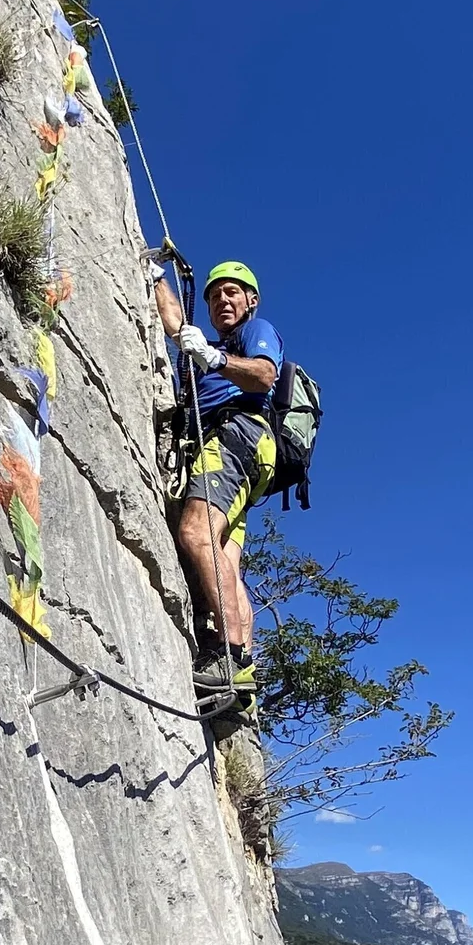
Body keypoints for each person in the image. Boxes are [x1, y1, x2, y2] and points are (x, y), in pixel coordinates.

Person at [151, 255, 281, 710]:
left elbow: (265, 374)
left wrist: (215, 356)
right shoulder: (213, 346)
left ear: (251, 300)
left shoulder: (254, 331)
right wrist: (157, 278)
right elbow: (175, 326)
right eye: (214, 295)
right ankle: (241, 677)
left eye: (231, 292)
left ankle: (225, 655)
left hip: (235, 435)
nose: (222, 299)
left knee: (195, 533)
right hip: (249, 453)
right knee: (225, 554)